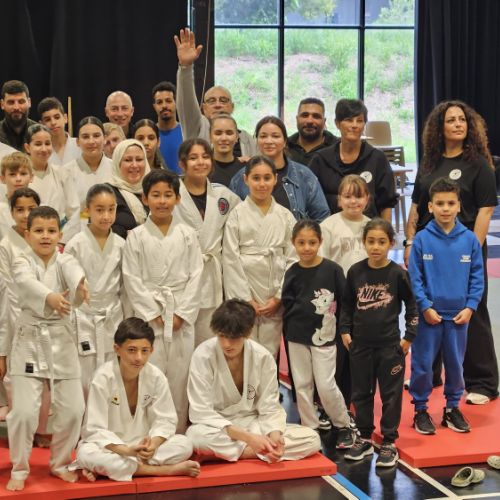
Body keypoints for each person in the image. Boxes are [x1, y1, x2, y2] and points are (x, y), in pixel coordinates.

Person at [405, 100, 498, 405]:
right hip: (430, 245)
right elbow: (416, 205)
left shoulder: (479, 164)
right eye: (451, 120)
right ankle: (428, 374)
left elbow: (486, 210)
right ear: (439, 127)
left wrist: (471, 250)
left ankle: (482, 382)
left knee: (472, 310)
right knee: (428, 307)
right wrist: (409, 242)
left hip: (464, 246)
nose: (458, 124)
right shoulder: (429, 163)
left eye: (462, 120)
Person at [5, 206, 88, 491]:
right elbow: (25, 282)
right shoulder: (21, 261)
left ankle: (61, 463)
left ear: (59, 234)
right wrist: (50, 296)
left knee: (74, 409)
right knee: (24, 413)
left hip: (62, 339)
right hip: (29, 339)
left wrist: (80, 284)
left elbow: (73, 270)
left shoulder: (65, 260)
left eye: (51, 231)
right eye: (39, 231)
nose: (45, 236)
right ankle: (19, 467)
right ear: (27, 234)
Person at [186, 299, 321, 462]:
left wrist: (275, 435)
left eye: (234, 338)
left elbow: (269, 406)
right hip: (218, 426)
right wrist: (249, 439)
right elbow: (201, 412)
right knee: (195, 437)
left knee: (312, 439)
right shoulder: (203, 356)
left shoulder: (263, 357)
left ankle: (236, 453)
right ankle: (256, 451)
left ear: (248, 333)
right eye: (221, 336)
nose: (226, 344)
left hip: (252, 422)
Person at [122, 169, 203, 432]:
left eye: (168, 195)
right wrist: (152, 314)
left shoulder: (188, 234)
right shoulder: (136, 235)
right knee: (148, 373)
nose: (162, 201)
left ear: (178, 199)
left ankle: (176, 432)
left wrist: (181, 313)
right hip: (149, 317)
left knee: (180, 376)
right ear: (144, 199)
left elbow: (196, 275)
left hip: (180, 313)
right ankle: (146, 432)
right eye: (155, 195)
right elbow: (131, 277)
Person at [73, 317, 199, 482]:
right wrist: (126, 451)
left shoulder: (156, 377)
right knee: (86, 453)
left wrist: (153, 445)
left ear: (152, 350)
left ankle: (114, 468)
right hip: (112, 447)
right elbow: (94, 429)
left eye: (144, 351)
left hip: (142, 445)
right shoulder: (103, 378)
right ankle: (165, 470)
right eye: (131, 350)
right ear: (117, 349)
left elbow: (166, 420)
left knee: (184, 444)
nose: (139, 357)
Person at [340, 218, 418, 467]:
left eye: (381, 242)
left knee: (391, 395)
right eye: (371, 241)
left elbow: (412, 306)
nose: (375, 247)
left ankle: (389, 442)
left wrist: (409, 337)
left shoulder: (398, 274)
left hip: (390, 347)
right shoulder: (355, 272)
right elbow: (346, 305)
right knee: (361, 393)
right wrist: (344, 331)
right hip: (360, 346)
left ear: (391, 243)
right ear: (363, 242)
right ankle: (364, 437)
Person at [408, 178, 483, 434]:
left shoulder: (470, 240)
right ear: (430, 206)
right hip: (428, 316)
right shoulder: (421, 240)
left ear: (459, 206)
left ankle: (452, 409)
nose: (445, 208)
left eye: (451, 203)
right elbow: (415, 278)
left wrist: (470, 307)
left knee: (456, 366)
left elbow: (477, 277)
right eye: (440, 203)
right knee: (422, 365)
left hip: (458, 317)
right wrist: (425, 306)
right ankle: (420, 409)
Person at [282, 219, 355, 448]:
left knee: (325, 384)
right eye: (301, 243)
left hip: (325, 336)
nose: (306, 248)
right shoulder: (292, 272)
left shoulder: (332, 270)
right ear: (293, 243)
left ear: (320, 242)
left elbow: (345, 301)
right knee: (302, 383)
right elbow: (287, 302)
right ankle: (309, 426)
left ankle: (343, 424)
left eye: (312, 242)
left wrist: (344, 329)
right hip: (296, 335)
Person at [223, 156, 296, 359]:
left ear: (275, 179)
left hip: (274, 290)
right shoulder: (236, 215)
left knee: (270, 352)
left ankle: (270, 382)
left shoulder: (285, 215)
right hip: (246, 288)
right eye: (256, 178)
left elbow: (293, 258)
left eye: (267, 178)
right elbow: (230, 259)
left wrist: (279, 297)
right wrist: (245, 299)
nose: (262, 184)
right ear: (246, 179)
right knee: (245, 349)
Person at [174, 138, 240, 346]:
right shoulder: (171, 193)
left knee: (209, 341)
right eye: (193, 158)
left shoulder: (224, 195)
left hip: (212, 277)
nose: (200, 162)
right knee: (181, 343)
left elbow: (241, 223)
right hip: (181, 274)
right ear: (182, 164)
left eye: (205, 157)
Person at [65, 184, 127, 395]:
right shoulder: (75, 244)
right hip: (84, 316)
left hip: (112, 314)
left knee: (112, 374)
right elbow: (68, 284)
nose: (106, 216)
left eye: (111, 209)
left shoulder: (121, 244)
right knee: (84, 376)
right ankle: (84, 416)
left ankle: (109, 415)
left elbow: (125, 286)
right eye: (99, 210)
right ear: (87, 210)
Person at [320, 175, 371, 409]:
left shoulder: (371, 226)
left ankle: (358, 399)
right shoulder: (329, 226)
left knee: (360, 352)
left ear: (367, 199)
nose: (353, 201)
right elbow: (323, 263)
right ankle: (334, 401)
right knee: (338, 353)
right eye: (348, 196)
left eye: (358, 196)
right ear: (339, 199)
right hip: (339, 300)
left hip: (366, 300)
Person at [174, 28, 258, 158]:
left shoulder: (246, 139)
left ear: (232, 107)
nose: (218, 105)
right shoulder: (197, 129)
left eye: (223, 101)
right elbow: (186, 104)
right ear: (204, 108)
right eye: (211, 101)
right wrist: (186, 67)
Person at [309, 99, 397, 219]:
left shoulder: (377, 158)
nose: (354, 125)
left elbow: (386, 202)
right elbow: (310, 199)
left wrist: (385, 229)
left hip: (369, 227)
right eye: (349, 120)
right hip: (329, 226)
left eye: (359, 121)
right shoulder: (321, 159)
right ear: (337, 123)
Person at [230, 116, 330, 222]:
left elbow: (322, 217)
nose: (269, 141)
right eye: (263, 136)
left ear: (285, 141)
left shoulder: (304, 175)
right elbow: (231, 218)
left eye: (275, 136)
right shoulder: (241, 178)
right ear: (256, 140)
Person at [24, 124, 80, 244]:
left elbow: (74, 211)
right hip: (27, 241)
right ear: (27, 147)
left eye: (47, 143)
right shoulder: (20, 176)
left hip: (59, 241)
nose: (44, 149)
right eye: (38, 144)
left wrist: (60, 241)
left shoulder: (62, 173)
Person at [64, 116, 113, 223]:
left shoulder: (116, 168)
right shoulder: (66, 171)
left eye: (96, 136)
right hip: (77, 227)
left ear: (105, 139)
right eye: (85, 137)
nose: (91, 141)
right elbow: (65, 211)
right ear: (77, 142)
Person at [107, 139, 150, 239]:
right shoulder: (107, 193)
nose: (134, 165)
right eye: (128, 160)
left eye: (139, 159)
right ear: (118, 163)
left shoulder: (153, 190)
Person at [287, 97, 338, 166]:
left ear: (324, 121)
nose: (309, 121)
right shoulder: (285, 146)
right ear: (297, 119)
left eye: (316, 116)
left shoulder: (338, 147)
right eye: (305, 115)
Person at [38, 97, 81, 166]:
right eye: (48, 120)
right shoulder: (40, 151)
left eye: (57, 117)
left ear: (65, 118)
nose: (53, 123)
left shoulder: (79, 145)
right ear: (41, 124)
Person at [152, 81, 183, 174]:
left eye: (168, 101)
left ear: (176, 103)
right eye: (159, 102)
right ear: (154, 106)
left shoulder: (185, 132)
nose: (164, 106)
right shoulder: (150, 135)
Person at [209, 114, 246, 187]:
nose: (224, 138)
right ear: (210, 136)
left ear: (237, 137)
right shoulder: (203, 168)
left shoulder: (245, 169)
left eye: (229, 133)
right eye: (218, 133)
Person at [0, 152, 33, 231]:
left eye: (23, 174)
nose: (18, 179)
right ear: (2, 179)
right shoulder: (1, 208)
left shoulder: (41, 207)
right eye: (12, 174)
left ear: (31, 177)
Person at [0, 80, 37, 151]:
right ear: (2, 104)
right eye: (11, 102)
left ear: (29, 102)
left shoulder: (40, 133)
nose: (16, 107)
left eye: (21, 101)